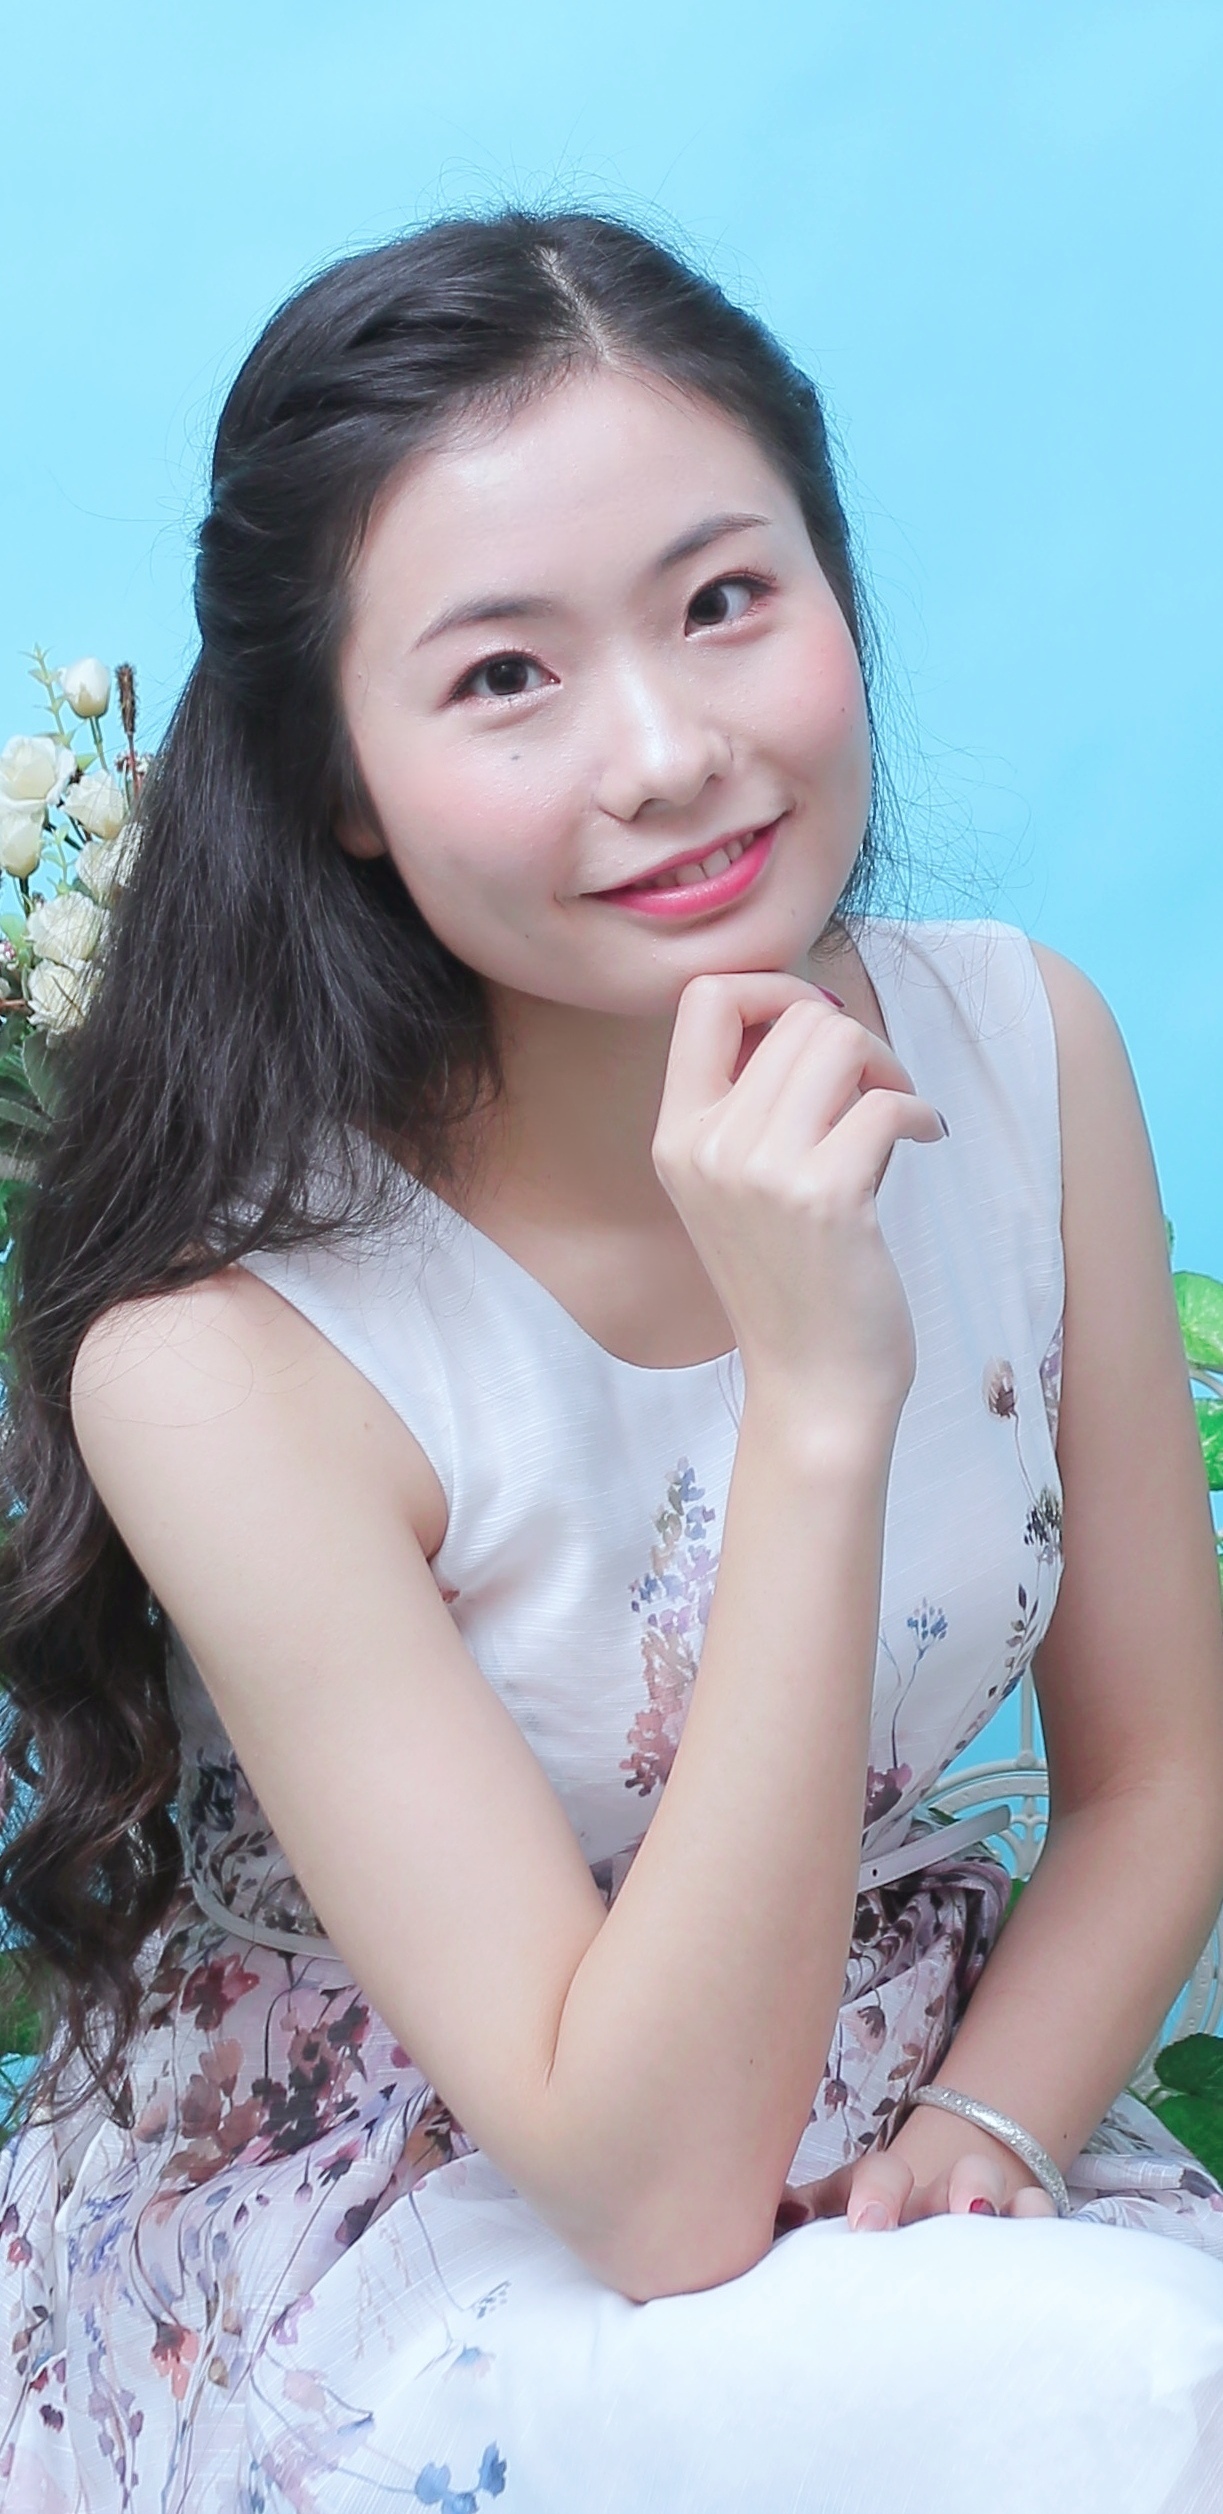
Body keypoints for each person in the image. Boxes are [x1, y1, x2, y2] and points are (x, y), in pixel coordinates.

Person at [1, 208, 1222, 2514]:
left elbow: (1158, 1773)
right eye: (503, 677)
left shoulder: (1019, 1050)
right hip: (426, 2221)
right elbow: (653, 2199)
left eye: (725, 600)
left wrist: (989, 2129)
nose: (669, 753)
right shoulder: (230, 1352)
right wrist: (818, 1396)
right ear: (339, 779)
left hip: (912, 2118)